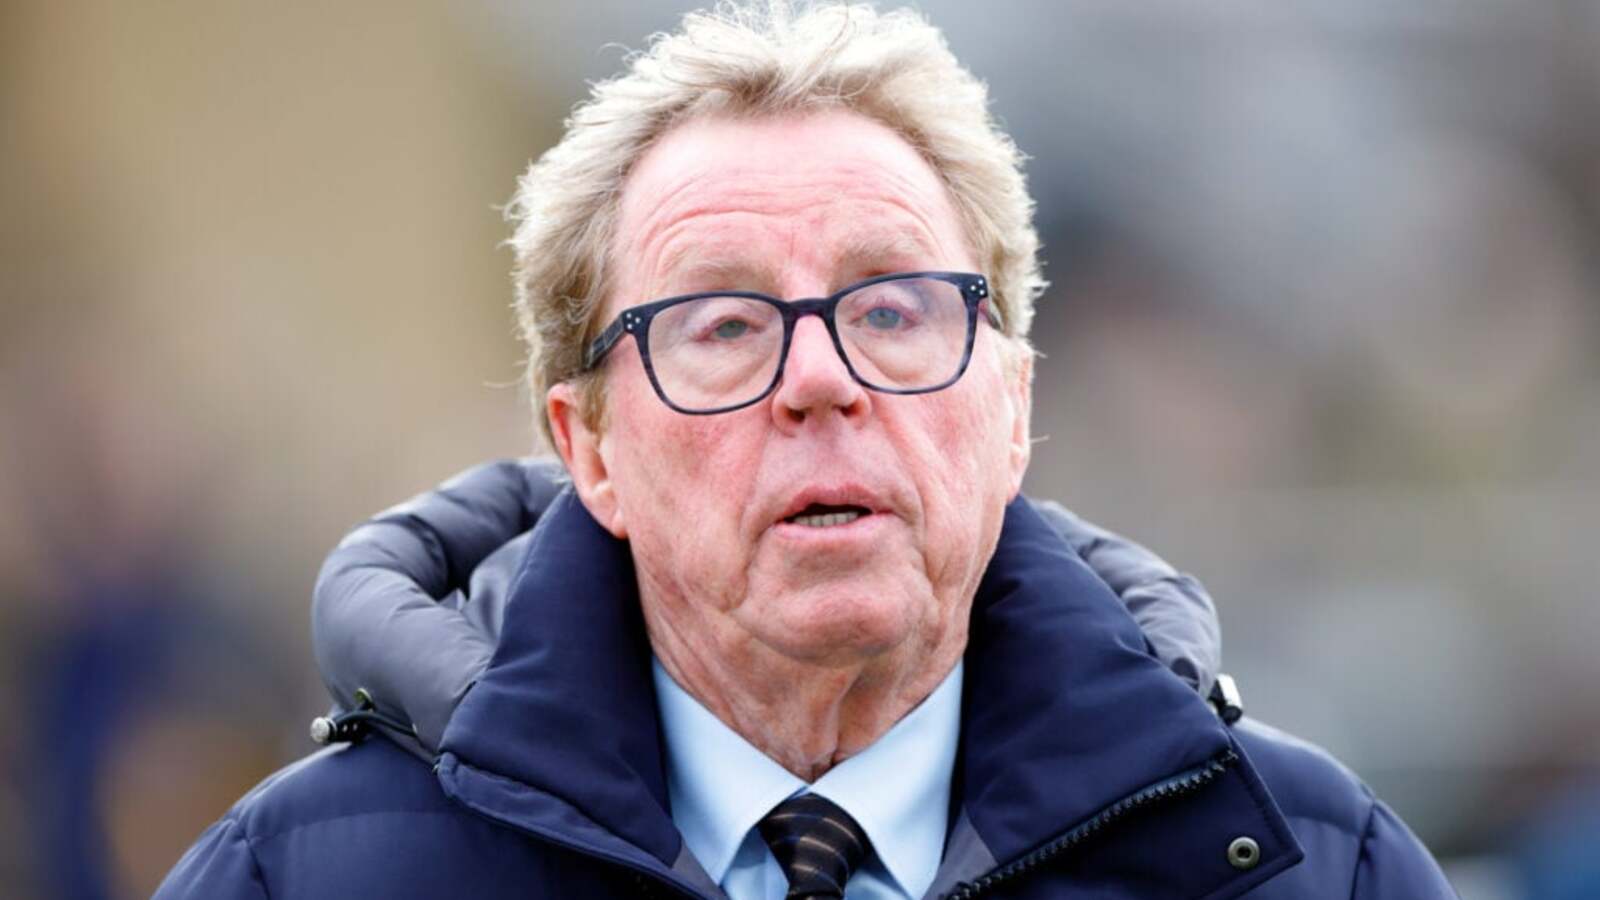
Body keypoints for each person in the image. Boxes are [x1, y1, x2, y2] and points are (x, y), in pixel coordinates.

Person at [157, 3, 1459, 897]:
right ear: (589, 447)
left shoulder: (1310, 865)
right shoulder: (303, 877)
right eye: (724, 325)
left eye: (893, 309)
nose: (822, 379)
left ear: (1011, 410)